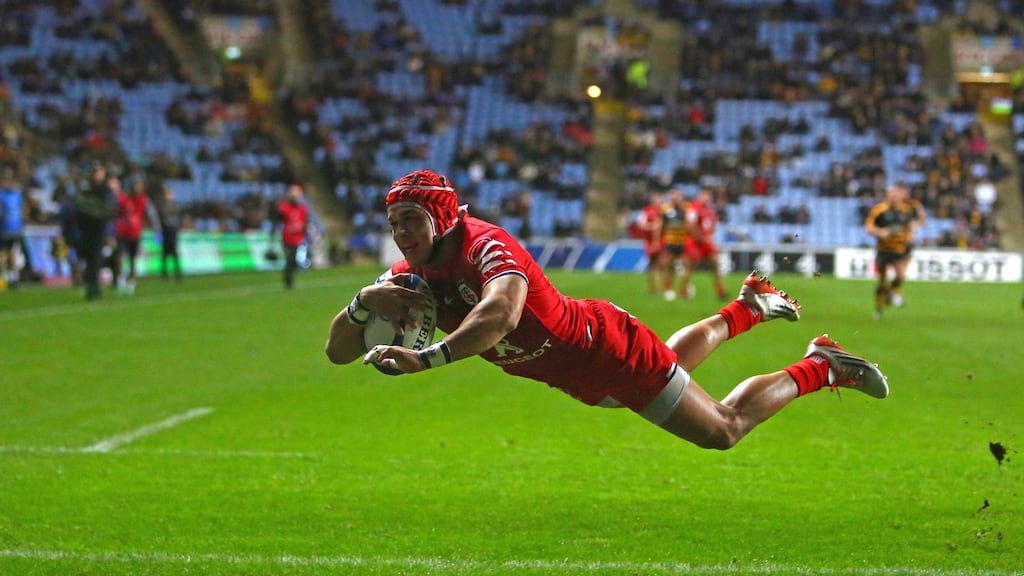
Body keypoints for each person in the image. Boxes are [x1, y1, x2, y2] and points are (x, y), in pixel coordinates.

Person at [326, 170, 889, 451]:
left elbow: (498, 316)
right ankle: (746, 308)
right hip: (567, 369)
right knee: (667, 373)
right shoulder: (409, 276)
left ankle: (823, 366)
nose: (400, 234)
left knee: (721, 428)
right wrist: (358, 306)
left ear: (442, 216)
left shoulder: (485, 244)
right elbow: (337, 352)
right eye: (393, 223)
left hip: (604, 346)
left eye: (411, 220)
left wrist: (426, 360)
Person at [863, 183, 925, 318]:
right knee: (881, 281)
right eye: (891, 196)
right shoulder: (879, 210)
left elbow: (910, 226)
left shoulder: (905, 211)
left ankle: (892, 292)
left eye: (896, 196)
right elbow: (868, 227)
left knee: (900, 276)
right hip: (883, 249)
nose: (894, 199)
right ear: (887, 196)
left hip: (899, 249)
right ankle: (879, 308)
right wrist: (880, 232)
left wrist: (910, 235)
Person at [74, 164, 118, 300]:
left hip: (100, 230)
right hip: (86, 229)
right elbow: (80, 206)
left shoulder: (105, 191)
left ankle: (95, 287)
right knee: (88, 259)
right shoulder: (86, 189)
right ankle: (90, 286)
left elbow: (110, 210)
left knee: (96, 259)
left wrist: (96, 213)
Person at [677, 187, 728, 301]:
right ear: (699, 196)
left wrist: (708, 236)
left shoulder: (710, 210)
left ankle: (720, 289)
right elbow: (689, 225)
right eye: (704, 195)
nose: (706, 198)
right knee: (689, 267)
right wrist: (700, 237)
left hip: (705, 241)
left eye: (708, 196)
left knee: (715, 263)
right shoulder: (694, 208)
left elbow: (713, 226)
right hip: (694, 241)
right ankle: (683, 291)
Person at [113, 177, 156, 295]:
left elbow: (152, 215)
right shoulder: (123, 199)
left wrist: (156, 229)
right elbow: (114, 212)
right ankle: (120, 280)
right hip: (122, 232)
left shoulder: (143, 200)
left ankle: (131, 283)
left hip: (135, 233)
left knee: (133, 259)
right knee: (119, 256)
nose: (138, 188)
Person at [271, 183, 310, 289]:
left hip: (299, 238)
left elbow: (305, 222)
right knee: (290, 259)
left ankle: (290, 279)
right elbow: (277, 221)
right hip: (287, 238)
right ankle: (288, 281)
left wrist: (307, 233)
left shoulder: (302, 209)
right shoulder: (284, 208)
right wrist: (273, 234)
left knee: (295, 260)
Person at [631, 190, 666, 294]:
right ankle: (653, 287)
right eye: (657, 199)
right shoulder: (647, 211)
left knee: (663, 263)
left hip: (663, 240)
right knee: (653, 264)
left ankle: (664, 287)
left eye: (660, 199)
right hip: (650, 241)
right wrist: (652, 227)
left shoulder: (664, 211)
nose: (659, 201)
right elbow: (640, 224)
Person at [659, 188, 688, 300]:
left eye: (678, 195)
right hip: (670, 241)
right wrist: (659, 240)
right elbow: (662, 225)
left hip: (683, 241)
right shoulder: (665, 209)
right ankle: (668, 288)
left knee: (685, 266)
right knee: (669, 266)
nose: (676, 198)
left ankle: (683, 289)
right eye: (674, 195)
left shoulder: (686, 208)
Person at [0, 169, 24, 289]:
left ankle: (14, 278)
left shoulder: (17, 195)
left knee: (12, 254)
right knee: (3, 254)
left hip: (15, 229)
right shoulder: (2, 195)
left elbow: (22, 211)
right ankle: (4, 278)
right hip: (3, 229)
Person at [155, 185, 183, 280]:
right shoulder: (163, 205)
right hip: (165, 231)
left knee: (174, 252)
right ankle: (165, 273)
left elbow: (178, 216)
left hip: (172, 231)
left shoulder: (174, 205)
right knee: (165, 253)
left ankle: (177, 272)